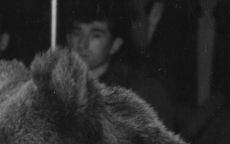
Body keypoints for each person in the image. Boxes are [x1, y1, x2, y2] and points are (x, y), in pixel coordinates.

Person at [64, 0, 175, 129]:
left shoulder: (142, 92)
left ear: (115, 45)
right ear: (68, 38)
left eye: (96, 35)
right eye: (77, 33)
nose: (83, 44)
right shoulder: (56, 84)